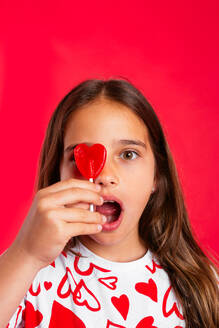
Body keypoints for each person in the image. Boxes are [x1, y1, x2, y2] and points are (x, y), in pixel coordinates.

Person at [1, 78, 218, 328]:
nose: (104, 175)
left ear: (157, 176)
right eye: (79, 156)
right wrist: (26, 254)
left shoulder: (201, 286)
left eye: (128, 154)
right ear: (57, 175)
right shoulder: (26, 275)